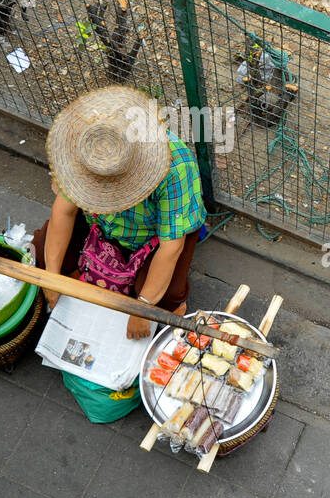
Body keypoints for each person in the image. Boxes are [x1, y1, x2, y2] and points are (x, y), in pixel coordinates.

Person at [32, 86, 206, 339]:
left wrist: (142, 308)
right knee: (39, 253)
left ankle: (104, 279)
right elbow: (65, 211)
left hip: (154, 235)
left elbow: (171, 248)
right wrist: (51, 278)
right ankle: (89, 272)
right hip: (101, 224)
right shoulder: (85, 144)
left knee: (165, 298)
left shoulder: (175, 166)